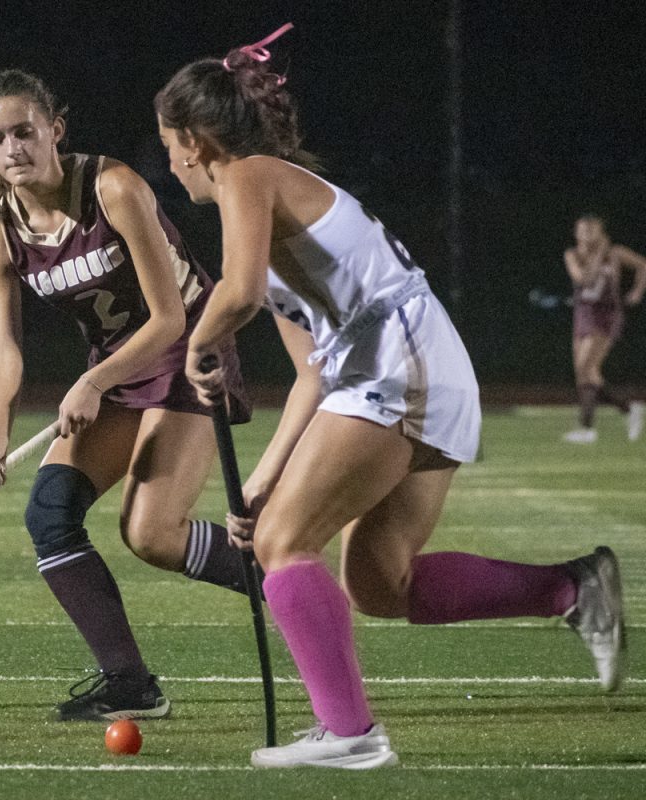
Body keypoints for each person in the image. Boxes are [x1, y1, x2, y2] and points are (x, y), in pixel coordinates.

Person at [154, 24, 627, 769]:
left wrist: (198, 344)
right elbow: (312, 373)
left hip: (399, 368)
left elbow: (235, 296)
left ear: (193, 139)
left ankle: (350, 734)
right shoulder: (272, 205)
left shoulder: (249, 176)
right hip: (419, 369)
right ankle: (573, 588)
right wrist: (259, 482)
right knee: (380, 582)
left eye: (168, 145)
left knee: (284, 544)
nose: (170, 164)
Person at [0, 69, 252, 722]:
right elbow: (3, 351)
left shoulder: (114, 187)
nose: (14, 148)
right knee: (49, 514)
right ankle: (129, 684)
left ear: (54, 131)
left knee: (151, 533)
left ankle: (283, 579)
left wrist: (92, 381)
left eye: (25, 132)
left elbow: (170, 318)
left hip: (187, 355)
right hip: (118, 371)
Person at [562, 214, 646, 444]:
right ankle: (629, 409)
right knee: (585, 374)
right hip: (583, 315)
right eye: (583, 230)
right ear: (577, 233)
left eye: (592, 230)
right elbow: (584, 280)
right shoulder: (573, 255)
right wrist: (598, 256)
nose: (588, 235)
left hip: (606, 315)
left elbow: (642, 265)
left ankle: (587, 429)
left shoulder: (616, 253)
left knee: (586, 367)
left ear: (601, 232)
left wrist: (637, 292)